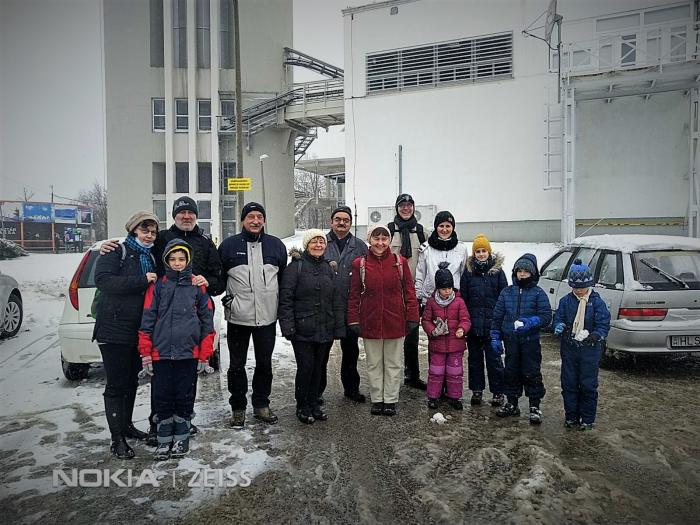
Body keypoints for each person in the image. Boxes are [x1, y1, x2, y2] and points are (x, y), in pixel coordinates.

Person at [101, 196, 224, 444]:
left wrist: (207, 282)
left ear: (196, 216)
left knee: (183, 382)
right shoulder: (161, 239)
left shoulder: (205, 243)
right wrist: (108, 246)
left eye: (191, 212)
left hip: (185, 326)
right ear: (174, 215)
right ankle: (156, 424)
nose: (186, 216)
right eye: (181, 212)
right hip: (154, 323)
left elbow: (219, 280)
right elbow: (137, 242)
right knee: (158, 383)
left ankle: (183, 420)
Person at [138, 240, 215, 458]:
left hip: (188, 354)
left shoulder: (197, 286)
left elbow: (207, 322)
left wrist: (204, 355)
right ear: (166, 261)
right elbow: (147, 320)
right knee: (162, 397)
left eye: (181, 259)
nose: (177, 263)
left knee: (184, 396)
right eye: (172, 259)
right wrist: (146, 353)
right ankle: (163, 438)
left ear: (188, 260)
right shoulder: (158, 287)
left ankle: (182, 435)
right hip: (161, 354)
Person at [92, 211, 159, 459]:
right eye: (144, 230)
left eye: (153, 232)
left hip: (137, 331)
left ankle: (127, 426)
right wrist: (142, 280)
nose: (149, 235)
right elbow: (104, 281)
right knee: (116, 385)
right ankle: (116, 438)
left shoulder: (151, 255)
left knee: (131, 381)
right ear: (133, 231)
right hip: (113, 330)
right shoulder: (115, 251)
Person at [218, 202, 287, 427]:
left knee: (264, 364)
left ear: (264, 220)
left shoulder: (276, 246)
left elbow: (283, 280)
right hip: (238, 317)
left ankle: (261, 404)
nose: (255, 221)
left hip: (267, 318)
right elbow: (218, 279)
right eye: (251, 217)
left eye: (259, 216)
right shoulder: (228, 246)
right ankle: (238, 408)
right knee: (236, 366)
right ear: (243, 220)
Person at [347, 225, 420, 416]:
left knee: (393, 363)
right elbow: (354, 295)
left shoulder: (399, 262)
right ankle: (377, 398)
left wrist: (413, 316)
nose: (380, 243)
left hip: (395, 321)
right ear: (369, 240)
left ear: (389, 241)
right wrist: (353, 320)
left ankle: (390, 399)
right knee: (374, 363)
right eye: (376, 238)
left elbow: (409, 291)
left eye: (384, 239)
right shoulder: (360, 264)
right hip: (370, 321)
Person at [278, 230, 345, 424]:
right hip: (302, 328)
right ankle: (302, 405)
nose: (318, 245)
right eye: (314, 242)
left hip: (325, 327)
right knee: (306, 367)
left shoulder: (328, 268)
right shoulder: (295, 268)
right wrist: (288, 326)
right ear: (307, 245)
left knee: (319, 368)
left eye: (321, 242)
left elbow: (336, 300)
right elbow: (286, 299)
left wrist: (338, 327)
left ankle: (314, 403)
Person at [490, 253, 551, 424]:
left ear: (532, 273)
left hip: (530, 342)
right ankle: (512, 403)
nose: (522, 274)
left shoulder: (538, 293)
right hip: (511, 341)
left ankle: (534, 406)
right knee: (511, 372)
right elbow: (497, 317)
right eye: (519, 271)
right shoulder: (507, 292)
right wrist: (495, 336)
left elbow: (546, 316)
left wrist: (532, 322)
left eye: (526, 271)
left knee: (531, 372)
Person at [553, 259, 611, 430]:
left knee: (588, 385)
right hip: (569, 348)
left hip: (590, 351)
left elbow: (603, 324)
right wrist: (559, 326)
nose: (578, 290)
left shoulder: (597, 302)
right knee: (569, 384)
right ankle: (571, 416)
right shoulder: (565, 301)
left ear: (589, 284)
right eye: (575, 287)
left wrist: (596, 335)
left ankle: (587, 419)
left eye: (582, 287)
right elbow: (558, 318)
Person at [322, 205, 368, 403]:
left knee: (350, 351)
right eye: (338, 219)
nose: (342, 223)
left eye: (346, 220)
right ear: (331, 222)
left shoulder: (360, 246)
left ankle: (351, 388)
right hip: (326, 308)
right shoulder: (321, 242)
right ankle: (316, 391)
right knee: (322, 352)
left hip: (350, 307)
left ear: (351, 223)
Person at [459, 234, 508, 407]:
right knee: (475, 360)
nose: (481, 254)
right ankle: (477, 390)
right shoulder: (468, 273)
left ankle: (498, 392)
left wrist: (501, 323)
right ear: (474, 254)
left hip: (492, 327)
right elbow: (463, 299)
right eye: (478, 251)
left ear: (489, 252)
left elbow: (504, 298)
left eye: (483, 251)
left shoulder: (498, 273)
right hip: (473, 326)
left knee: (494, 360)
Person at [388, 193, 427, 390]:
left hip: (413, 291)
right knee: (392, 336)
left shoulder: (421, 231)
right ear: (396, 208)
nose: (406, 208)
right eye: (402, 205)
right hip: (392, 291)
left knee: (412, 335)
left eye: (409, 205)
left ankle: (412, 374)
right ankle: (391, 376)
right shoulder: (389, 230)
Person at [422, 264, 471, 410]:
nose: (447, 291)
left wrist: (462, 329)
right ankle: (433, 396)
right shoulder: (431, 302)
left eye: (449, 288)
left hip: (456, 345)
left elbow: (465, 319)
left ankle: (454, 397)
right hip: (437, 345)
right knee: (436, 372)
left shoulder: (459, 302)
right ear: (438, 288)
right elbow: (425, 320)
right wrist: (433, 331)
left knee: (455, 372)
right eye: (444, 289)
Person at [415, 211, 467, 308]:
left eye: (448, 226)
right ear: (436, 227)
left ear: (453, 227)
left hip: (454, 301)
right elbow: (420, 275)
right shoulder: (426, 249)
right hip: (430, 300)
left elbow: (463, 274)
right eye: (441, 226)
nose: (444, 230)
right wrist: (418, 296)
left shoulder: (461, 248)